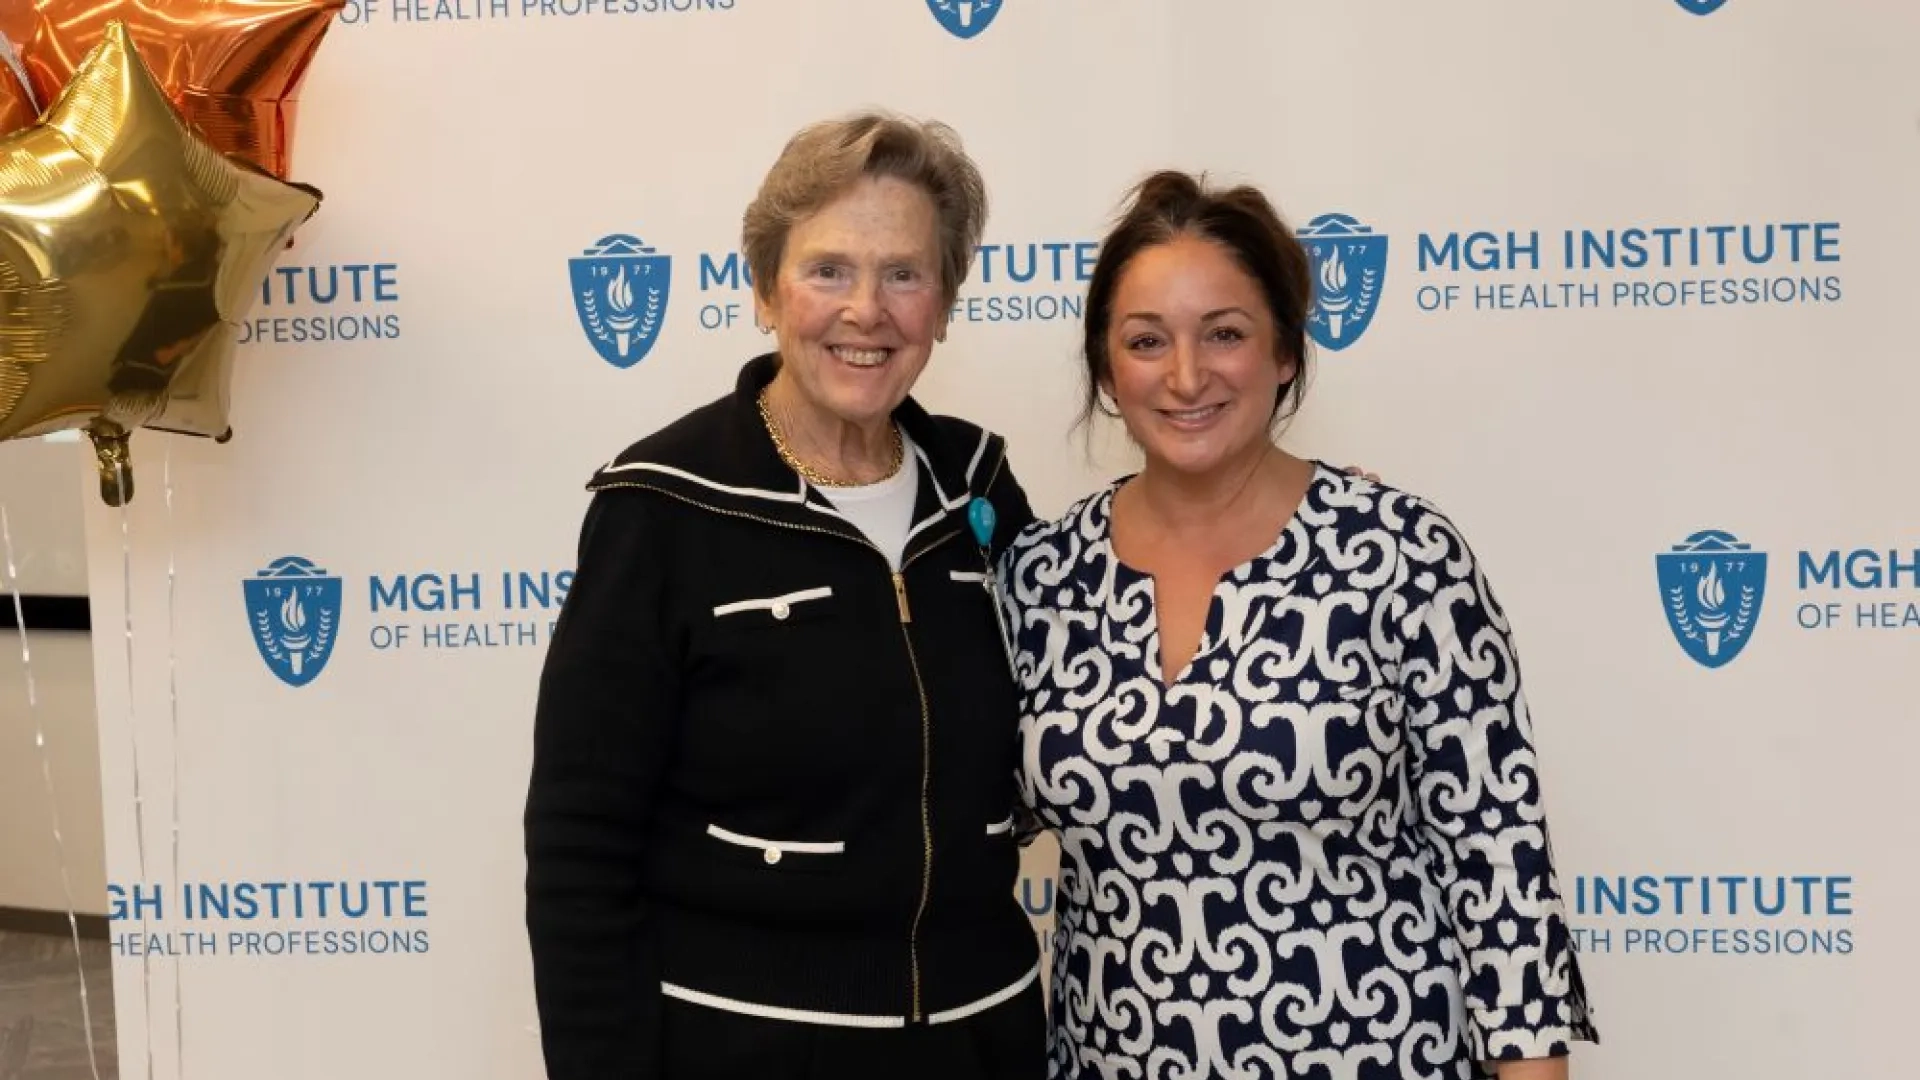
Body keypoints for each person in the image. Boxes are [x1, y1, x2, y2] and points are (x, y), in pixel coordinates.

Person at [997, 171, 1598, 1080]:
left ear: (1284, 352)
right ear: (1108, 371)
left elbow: (1500, 871)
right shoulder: (1041, 578)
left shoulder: (1400, 555)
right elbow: (953, 817)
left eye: (1225, 334)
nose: (1187, 375)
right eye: (1147, 341)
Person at [523, 113, 1047, 1079]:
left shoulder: (980, 488)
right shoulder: (662, 507)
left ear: (943, 303)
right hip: (745, 1045)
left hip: (984, 1039)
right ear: (766, 290)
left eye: (904, 273)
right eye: (828, 271)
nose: (867, 310)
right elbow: (579, 847)